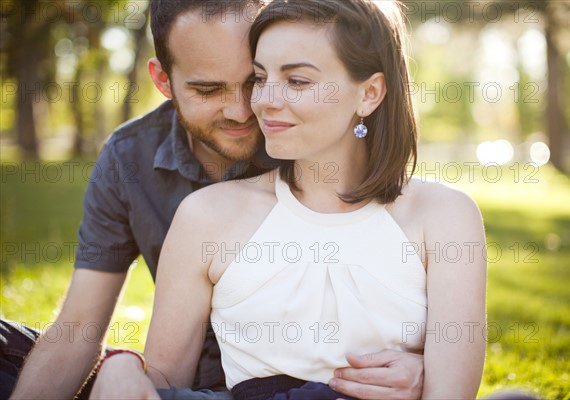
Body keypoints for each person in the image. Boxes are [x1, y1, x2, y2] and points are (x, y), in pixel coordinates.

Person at [4, 1, 425, 399]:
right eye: (208, 90)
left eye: (253, 81)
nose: (244, 111)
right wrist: (122, 364)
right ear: (162, 80)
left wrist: (427, 367)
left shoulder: (305, 136)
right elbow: (80, 325)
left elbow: (383, 258)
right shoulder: (130, 156)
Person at [91, 0, 487, 399]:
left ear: (369, 93)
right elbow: (165, 384)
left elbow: (452, 393)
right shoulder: (207, 215)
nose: (261, 101)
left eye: (297, 81)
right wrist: (121, 367)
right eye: (260, 78)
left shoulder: (445, 216)